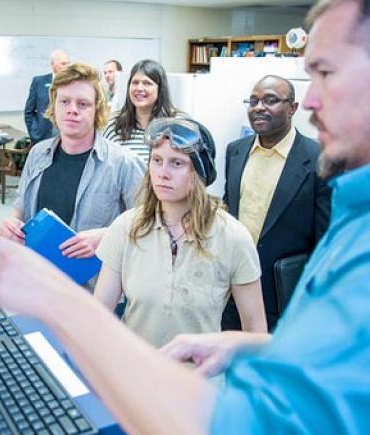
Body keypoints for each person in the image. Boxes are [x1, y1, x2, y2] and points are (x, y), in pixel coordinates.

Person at [0, 0, 370, 433]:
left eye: (326, 73)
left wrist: (57, 303)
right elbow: (347, 373)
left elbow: (250, 428)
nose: (309, 103)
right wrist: (251, 348)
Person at [95, 118, 267, 349]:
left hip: (199, 381)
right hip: (135, 375)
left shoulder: (233, 237)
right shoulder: (126, 228)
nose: (162, 173)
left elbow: (256, 336)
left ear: (198, 172)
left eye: (176, 163)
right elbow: (99, 315)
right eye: (156, 161)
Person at [0, 63, 144, 261]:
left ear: (97, 110)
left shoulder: (123, 163)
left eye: (82, 104)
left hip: (94, 286)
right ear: (54, 106)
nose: (72, 110)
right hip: (37, 274)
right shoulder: (38, 154)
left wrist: (107, 237)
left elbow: (147, 223)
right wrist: (11, 222)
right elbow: (21, 206)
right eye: (64, 101)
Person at [221, 75, 331, 331]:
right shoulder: (235, 151)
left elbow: (325, 239)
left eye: (271, 100)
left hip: (285, 293)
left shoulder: (318, 159)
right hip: (233, 289)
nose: (259, 107)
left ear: (292, 108)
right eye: (254, 101)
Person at [103, 60, 184, 164]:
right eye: (135, 82)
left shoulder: (178, 123)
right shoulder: (114, 123)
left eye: (147, 83)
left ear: (160, 89)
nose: (139, 88)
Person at [24, 49, 70, 145]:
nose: (67, 67)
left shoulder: (73, 83)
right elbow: (29, 111)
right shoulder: (39, 82)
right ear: (53, 64)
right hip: (43, 137)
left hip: (66, 137)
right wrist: (34, 133)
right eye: (63, 64)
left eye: (68, 64)